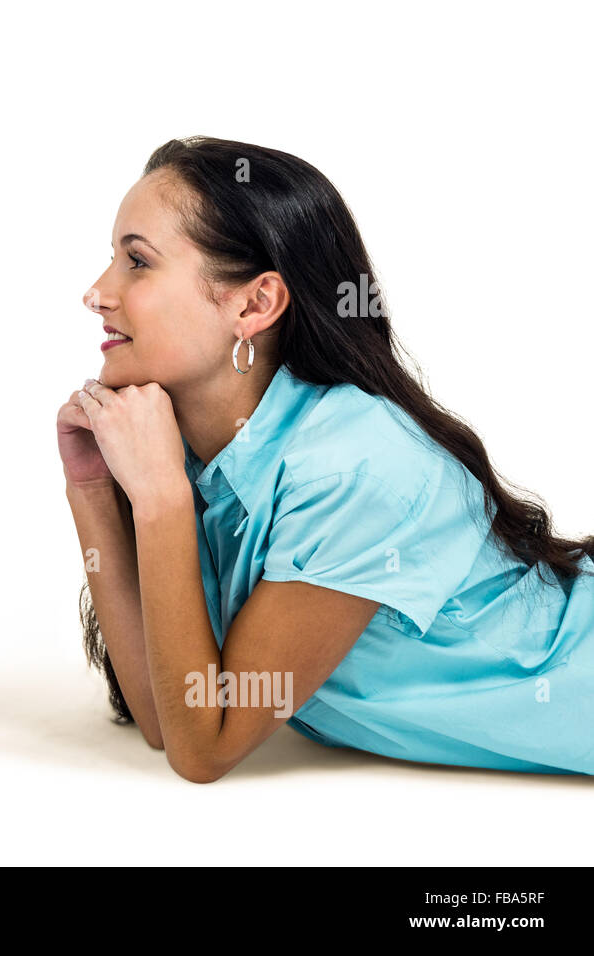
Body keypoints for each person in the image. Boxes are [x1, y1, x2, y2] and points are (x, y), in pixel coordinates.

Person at [58, 135, 594, 782]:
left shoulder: (354, 464)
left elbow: (205, 746)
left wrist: (160, 500)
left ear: (255, 304)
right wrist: (91, 486)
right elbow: (164, 716)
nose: (96, 292)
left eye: (137, 262)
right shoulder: (198, 453)